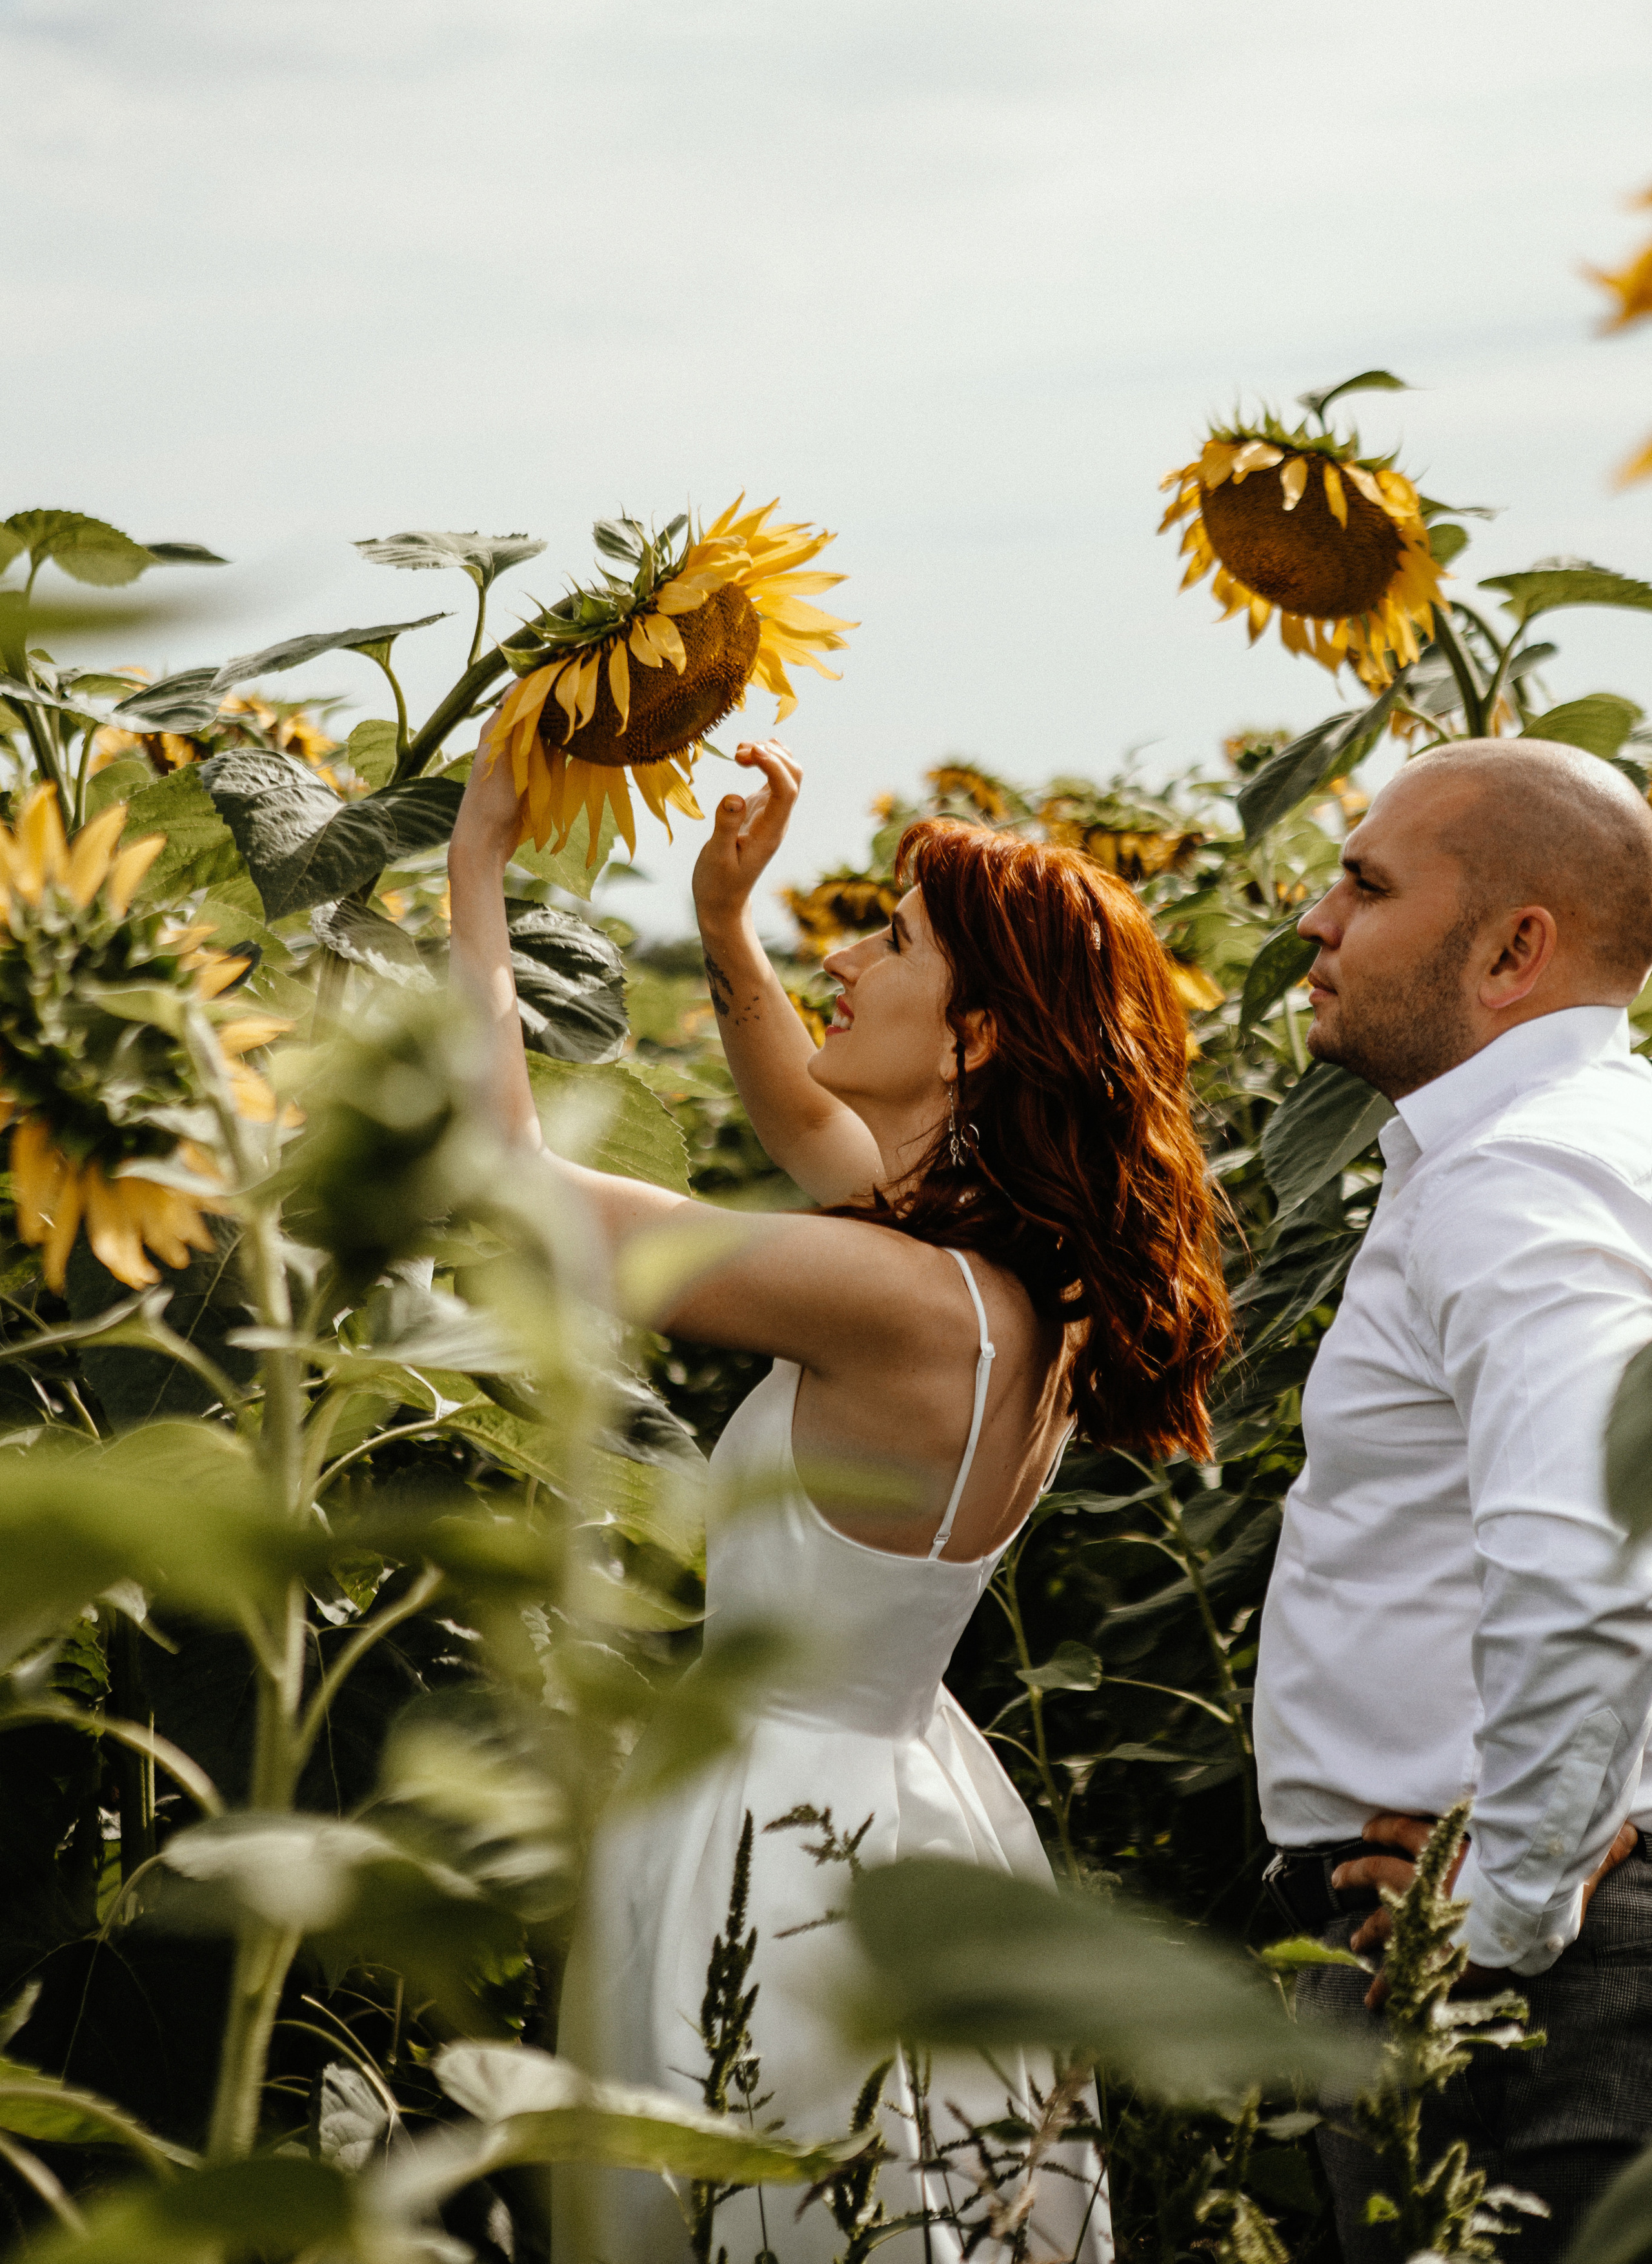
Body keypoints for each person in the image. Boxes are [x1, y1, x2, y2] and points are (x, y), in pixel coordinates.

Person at [448, 727, 1228, 2262]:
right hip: (907, 1796)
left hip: (770, 1820)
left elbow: (512, 1184)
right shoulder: (1017, 1294)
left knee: (751, 2186)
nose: (849, 955)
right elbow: (815, 1130)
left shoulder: (890, 1296)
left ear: (975, 1039)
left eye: (892, 937)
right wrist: (730, 933)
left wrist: (477, 865)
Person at [1253, 736, 1652, 2259]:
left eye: (1362, 883)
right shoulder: (1575, 1150)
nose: (1312, 919)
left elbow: (1582, 1546)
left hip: (1519, 1990)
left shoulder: (1520, 1178)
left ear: (1512, 949)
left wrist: (1502, 1909)